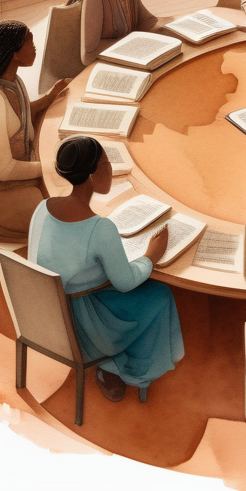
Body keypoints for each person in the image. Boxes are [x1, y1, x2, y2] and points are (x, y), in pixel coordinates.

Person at [28, 135, 184, 402]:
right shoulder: (100, 229)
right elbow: (125, 282)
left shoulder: (43, 207)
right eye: (105, 163)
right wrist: (150, 256)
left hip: (44, 311)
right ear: (91, 175)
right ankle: (131, 371)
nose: (110, 168)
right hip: (83, 321)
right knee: (159, 296)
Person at [0, 20, 69, 239]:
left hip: (12, 178)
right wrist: (51, 167)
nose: (35, 46)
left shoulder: (13, 81)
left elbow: (17, 116)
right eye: (29, 41)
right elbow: (5, 170)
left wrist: (49, 98)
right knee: (61, 221)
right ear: (14, 54)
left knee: (69, 193)